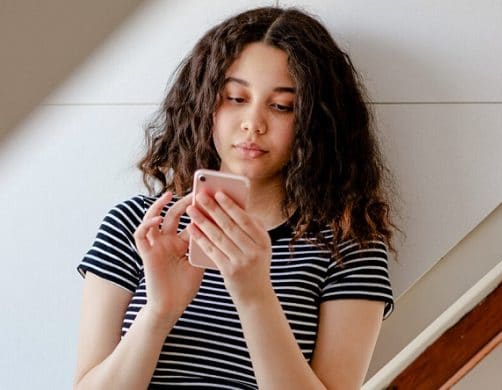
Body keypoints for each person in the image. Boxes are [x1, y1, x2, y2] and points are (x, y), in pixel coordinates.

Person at [74, 6, 396, 389]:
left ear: (315, 121)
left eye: (281, 106)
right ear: (205, 102)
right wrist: (159, 310)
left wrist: (254, 294)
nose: (253, 124)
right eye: (235, 98)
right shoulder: (137, 227)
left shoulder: (349, 246)